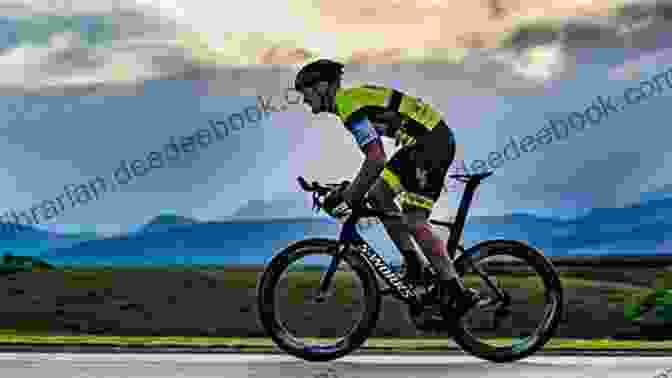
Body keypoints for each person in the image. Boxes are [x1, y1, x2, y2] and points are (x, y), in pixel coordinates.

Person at [293, 59, 481, 323]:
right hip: (421, 144)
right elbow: (374, 163)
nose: (304, 100)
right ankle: (414, 264)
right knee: (379, 196)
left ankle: (457, 291)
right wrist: (348, 190)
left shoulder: (347, 104)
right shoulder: (349, 101)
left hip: (431, 144)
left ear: (322, 87)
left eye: (305, 92)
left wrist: (348, 197)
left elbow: (376, 158)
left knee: (415, 221)